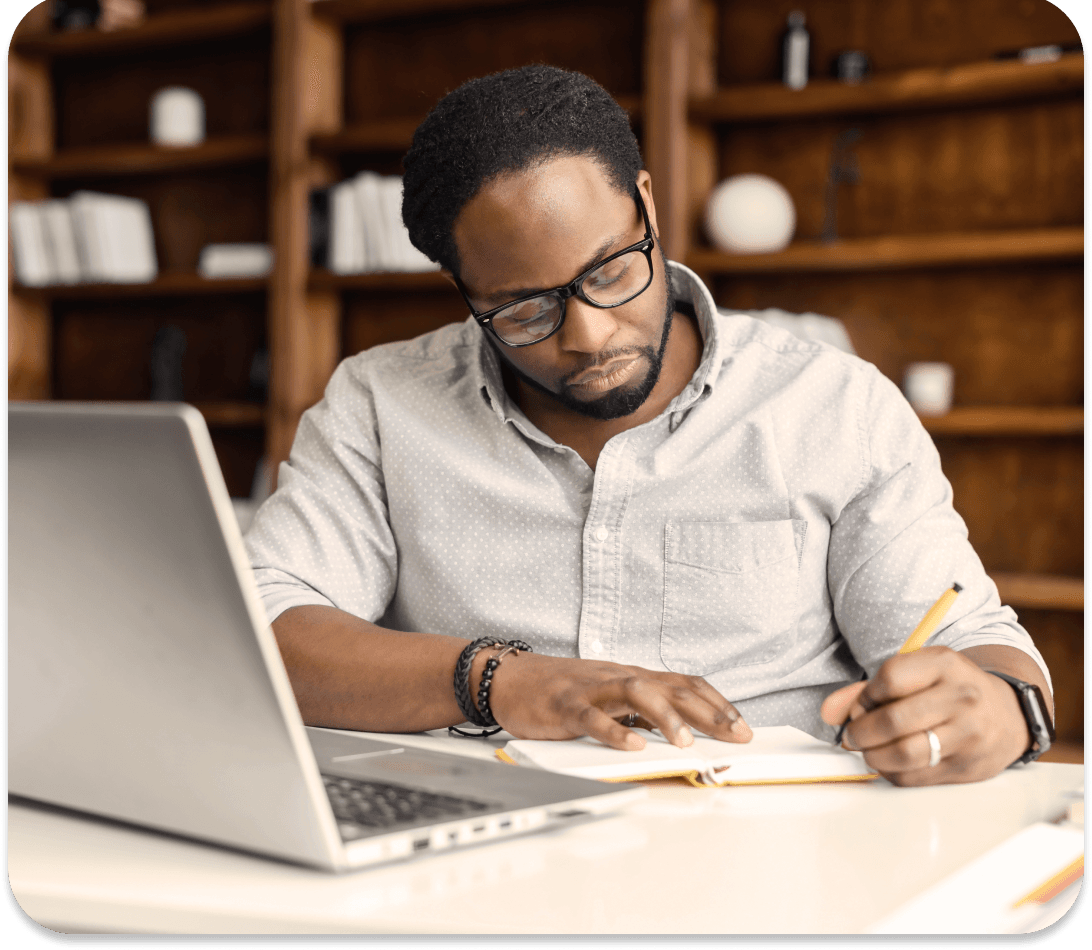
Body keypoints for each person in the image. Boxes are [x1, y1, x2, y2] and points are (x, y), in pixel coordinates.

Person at [246, 65, 1053, 786]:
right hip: (481, 848)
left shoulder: (832, 406)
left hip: (773, 861)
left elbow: (976, 641)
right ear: (461, 288)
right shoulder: (382, 403)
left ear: (647, 202)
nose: (589, 336)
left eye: (612, 270)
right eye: (523, 309)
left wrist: (1002, 710)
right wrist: (506, 682)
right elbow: (264, 628)